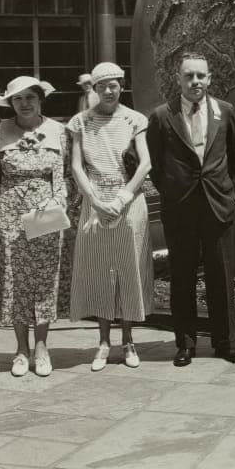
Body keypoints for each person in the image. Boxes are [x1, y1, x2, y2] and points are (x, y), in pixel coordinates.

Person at [146, 52, 235, 367]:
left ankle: (226, 343)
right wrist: (174, 189)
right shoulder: (162, 116)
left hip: (217, 204)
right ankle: (185, 344)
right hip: (180, 207)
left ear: (210, 78)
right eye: (189, 76)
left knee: (221, 275)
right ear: (178, 79)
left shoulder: (225, 112)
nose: (195, 82)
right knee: (183, 276)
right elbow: (155, 164)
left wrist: (219, 185)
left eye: (200, 76)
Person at [0, 76, 73, 378]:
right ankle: (21, 349)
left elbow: (66, 176)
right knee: (15, 282)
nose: (25, 103)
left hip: (46, 211)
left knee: (44, 281)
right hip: (9, 213)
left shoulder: (59, 132)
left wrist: (56, 208)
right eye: (18, 99)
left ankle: (42, 346)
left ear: (40, 98)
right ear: (10, 103)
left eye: (30, 97)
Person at [67, 62, 154, 371]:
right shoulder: (80, 122)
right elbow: (77, 167)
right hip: (95, 203)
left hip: (128, 202)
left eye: (113, 84)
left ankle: (129, 339)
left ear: (121, 85)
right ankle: (103, 341)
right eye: (101, 85)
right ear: (94, 88)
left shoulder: (135, 119)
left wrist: (122, 197)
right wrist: (95, 200)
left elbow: (144, 164)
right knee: (102, 269)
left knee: (129, 268)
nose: (108, 90)